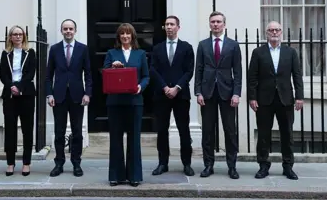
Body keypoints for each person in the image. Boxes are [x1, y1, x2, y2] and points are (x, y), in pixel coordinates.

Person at [248, 21, 303, 180]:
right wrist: (252, 97)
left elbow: (297, 76)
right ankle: (263, 165)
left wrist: (299, 96)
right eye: (271, 30)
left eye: (277, 30)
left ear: (281, 33)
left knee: (287, 134)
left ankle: (288, 166)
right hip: (264, 99)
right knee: (264, 134)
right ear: (266, 33)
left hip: (285, 99)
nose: (274, 32)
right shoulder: (258, 52)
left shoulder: (290, 52)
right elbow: (252, 77)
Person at [194, 11, 242, 179]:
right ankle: (208, 165)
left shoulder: (233, 45)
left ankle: (232, 166)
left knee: (230, 131)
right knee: (207, 131)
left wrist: (236, 94)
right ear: (209, 24)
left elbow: (238, 71)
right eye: (213, 21)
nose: (215, 24)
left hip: (227, 94)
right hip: (207, 94)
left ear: (224, 24)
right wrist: (198, 91)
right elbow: (198, 69)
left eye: (219, 22)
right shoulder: (203, 45)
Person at [103, 23, 149, 187]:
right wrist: (113, 68)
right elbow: (105, 72)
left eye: (128, 34)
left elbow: (146, 76)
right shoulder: (111, 53)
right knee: (115, 138)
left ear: (132, 36)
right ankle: (116, 175)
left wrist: (140, 87)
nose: (125, 36)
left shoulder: (140, 53)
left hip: (134, 102)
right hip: (115, 102)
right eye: (122, 34)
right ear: (118, 37)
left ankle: (134, 176)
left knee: (134, 139)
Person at [45, 19, 92, 177]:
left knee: (77, 132)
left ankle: (76, 163)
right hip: (58, 97)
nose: (68, 31)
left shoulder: (83, 49)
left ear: (75, 30)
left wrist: (88, 93)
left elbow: (89, 74)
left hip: (77, 96)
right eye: (65, 29)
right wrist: (49, 94)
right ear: (61, 31)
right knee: (59, 132)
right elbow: (48, 75)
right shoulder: (54, 49)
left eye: (71, 29)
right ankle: (59, 163)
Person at [150, 15, 195, 176]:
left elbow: (189, 71)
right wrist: (164, 87)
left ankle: (187, 163)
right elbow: (153, 69)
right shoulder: (157, 48)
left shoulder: (186, 47)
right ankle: (163, 163)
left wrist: (176, 87)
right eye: (166, 24)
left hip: (181, 95)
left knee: (184, 130)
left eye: (172, 24)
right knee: (162, 130)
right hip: (161, 95)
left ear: (178, 27)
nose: (169, 27)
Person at [0, 25, 36, 176]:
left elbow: (30, 73)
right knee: (10, 130)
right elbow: (2, 74)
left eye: (20, 34)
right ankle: (10, 163)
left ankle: (26, 163)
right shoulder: (5, 54)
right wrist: (12, 87)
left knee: (27, 130)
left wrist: (20, 87)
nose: (18, 37)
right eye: (15, 34)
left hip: (26, 95)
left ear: (24, 37)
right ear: (10, 37)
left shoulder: (30, 53)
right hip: (9, 96)